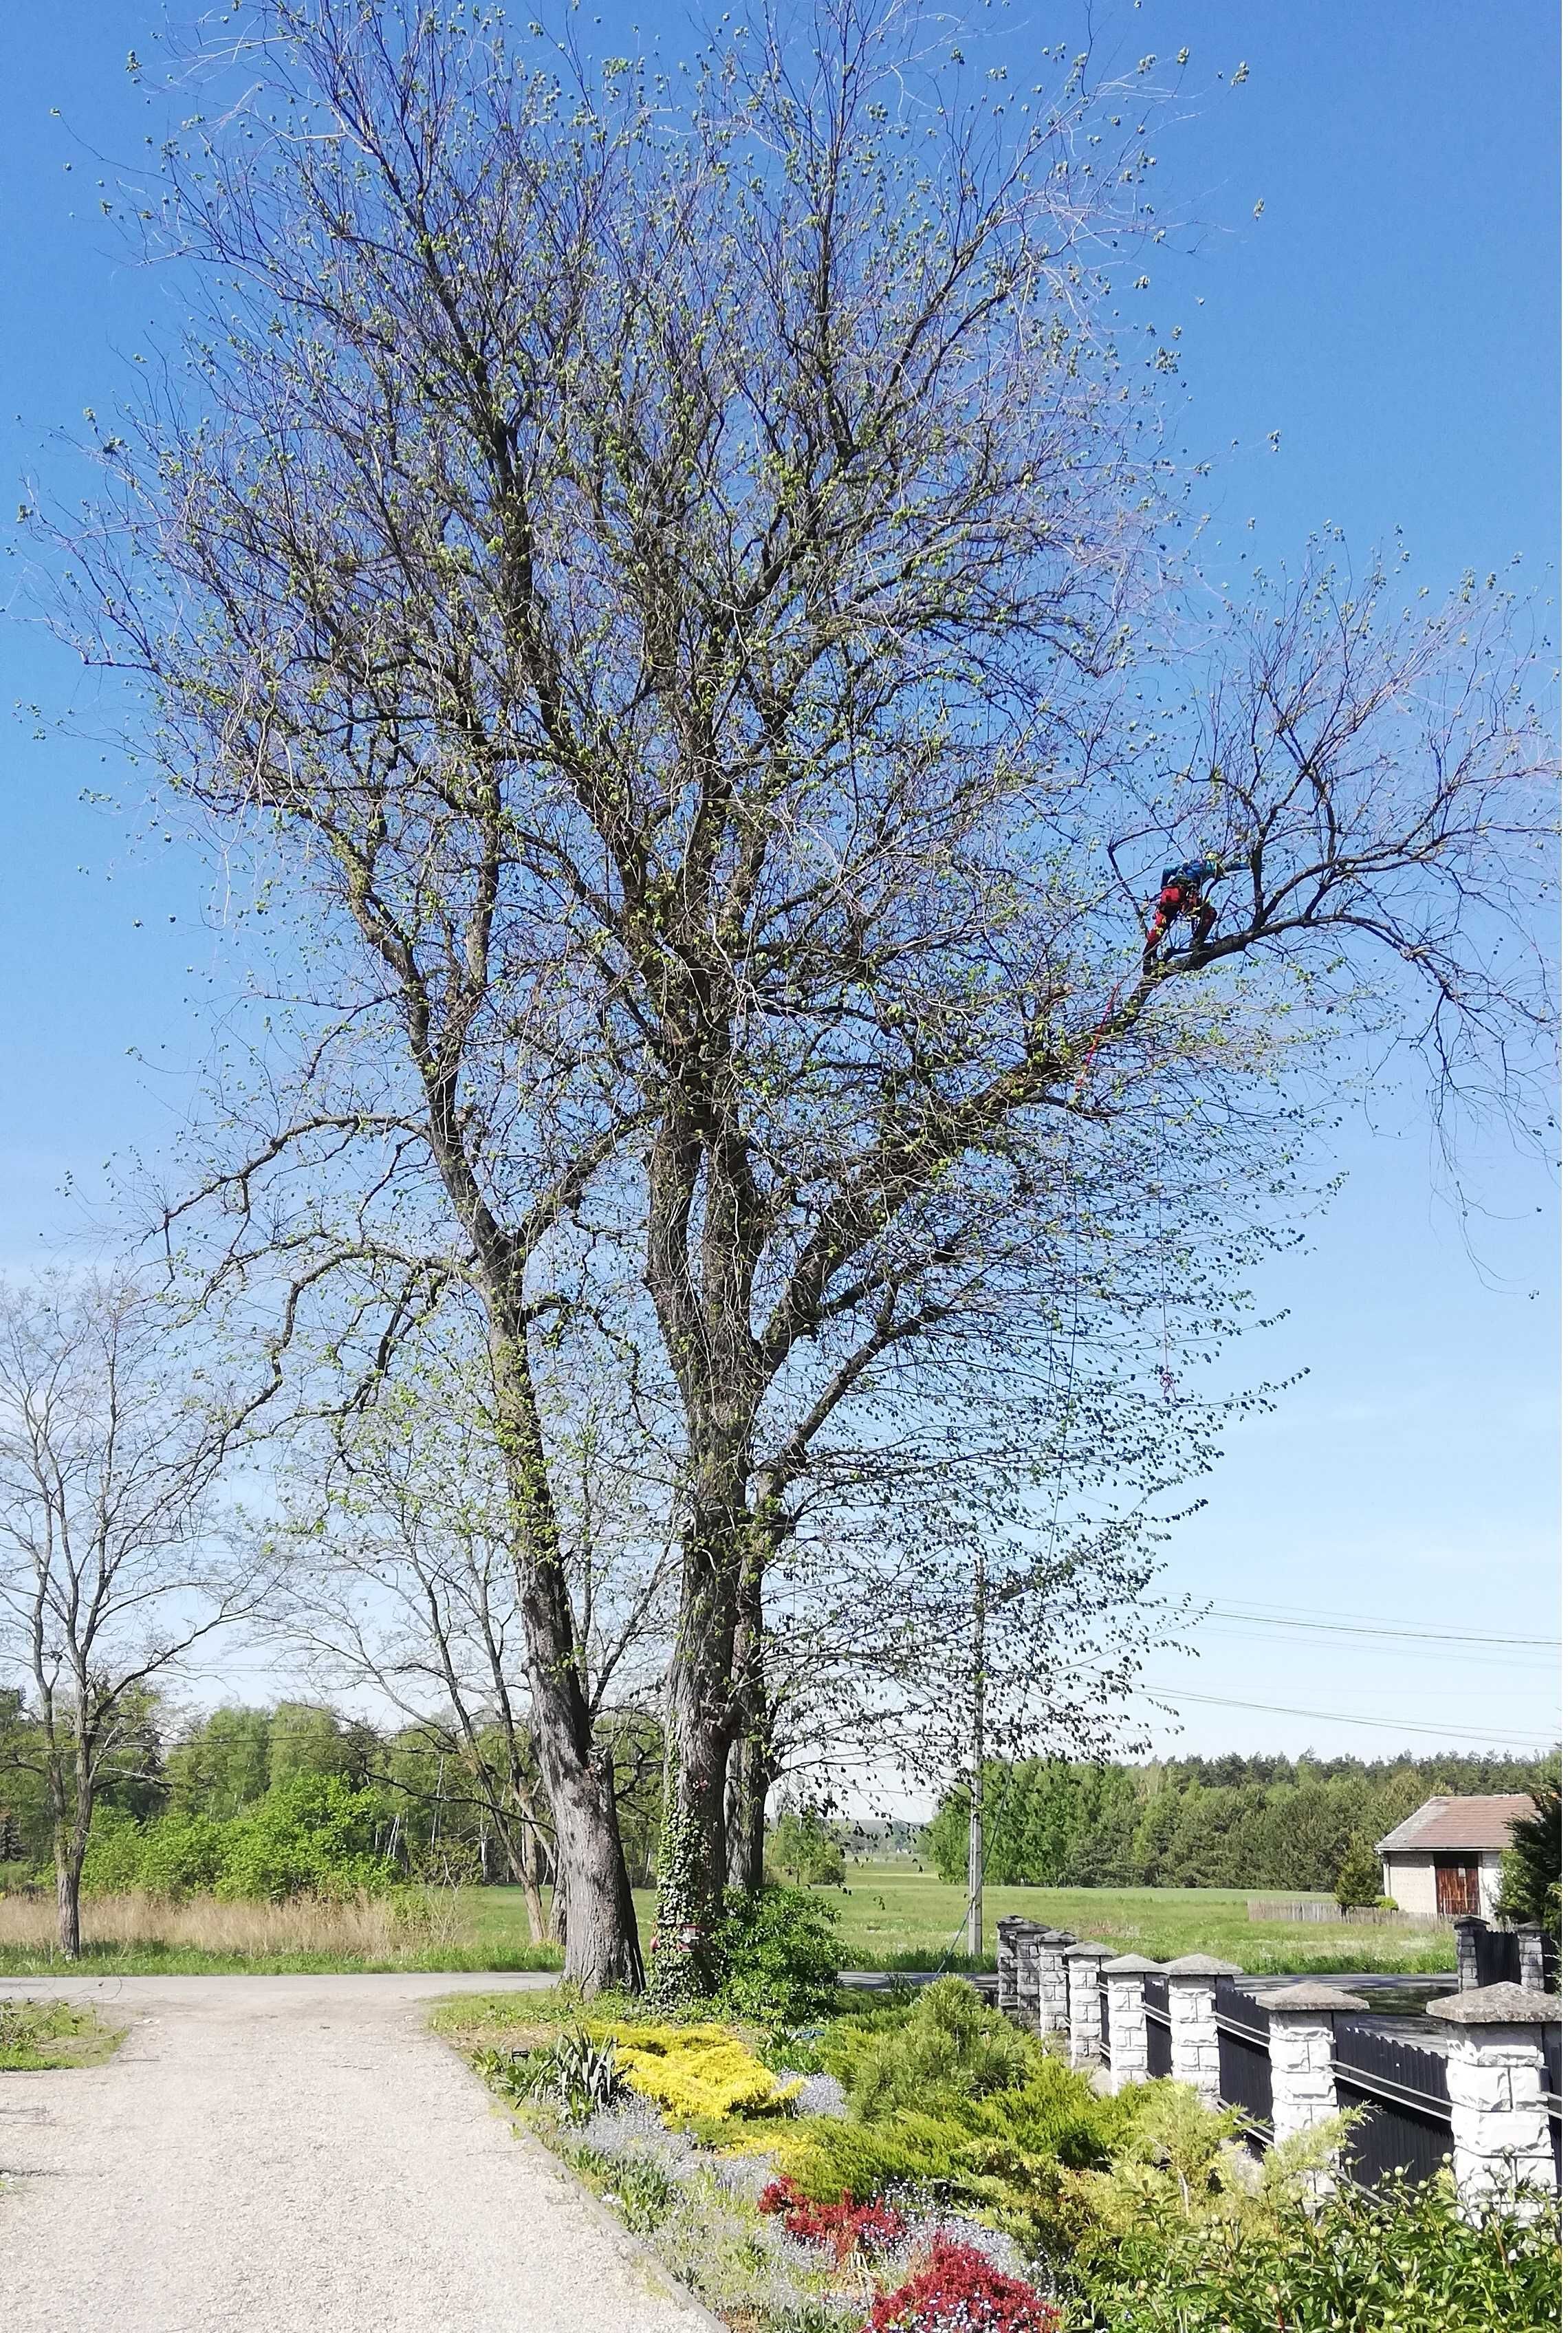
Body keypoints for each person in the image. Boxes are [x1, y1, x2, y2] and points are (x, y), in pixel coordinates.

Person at [1143, 854, 1223, 971]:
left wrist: (1163, 887)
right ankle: (1197, 940)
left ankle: (1148, 956)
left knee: (1160, 926)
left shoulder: (1186, 865)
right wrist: (1248, 865)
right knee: (1210, 913)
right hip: (1184, 894)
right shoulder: (1208, 864)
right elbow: (1226, 867)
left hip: (1168, 895)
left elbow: (1166, 870)